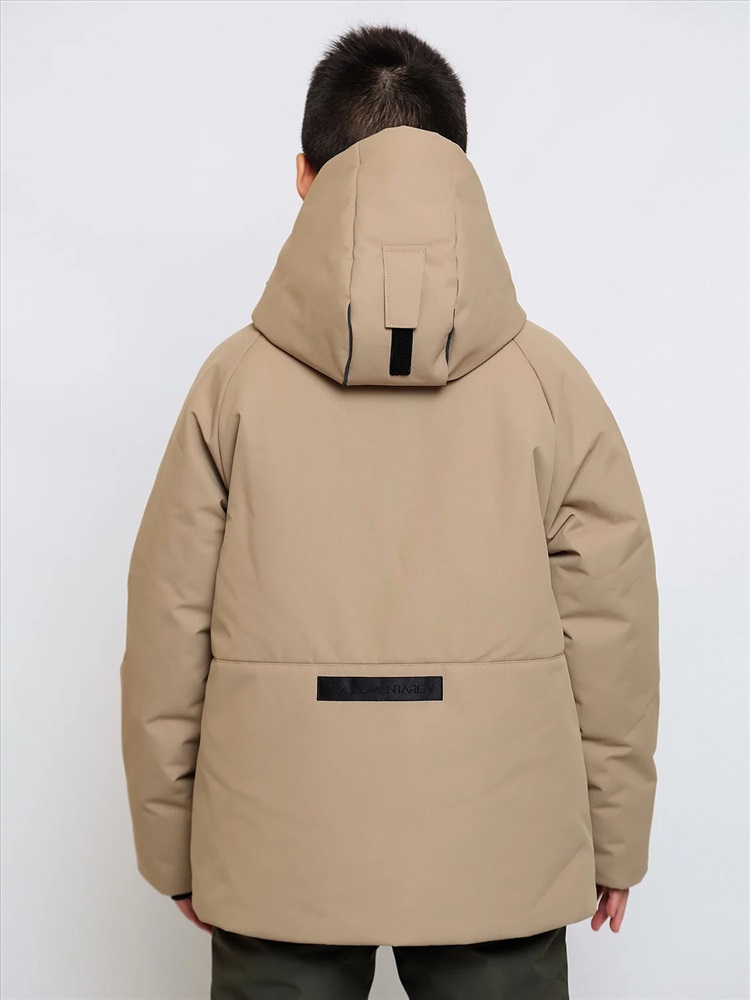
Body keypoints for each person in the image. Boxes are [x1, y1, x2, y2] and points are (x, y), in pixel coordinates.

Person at [119, 23, 660, 1000]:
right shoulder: (550, 385)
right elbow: (610, 626)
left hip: (277, 848)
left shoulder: (231, 385)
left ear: (304, 176)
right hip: (498, 851)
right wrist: (615, 835)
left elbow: (168, 628)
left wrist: (173, 846)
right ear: (460, 178)